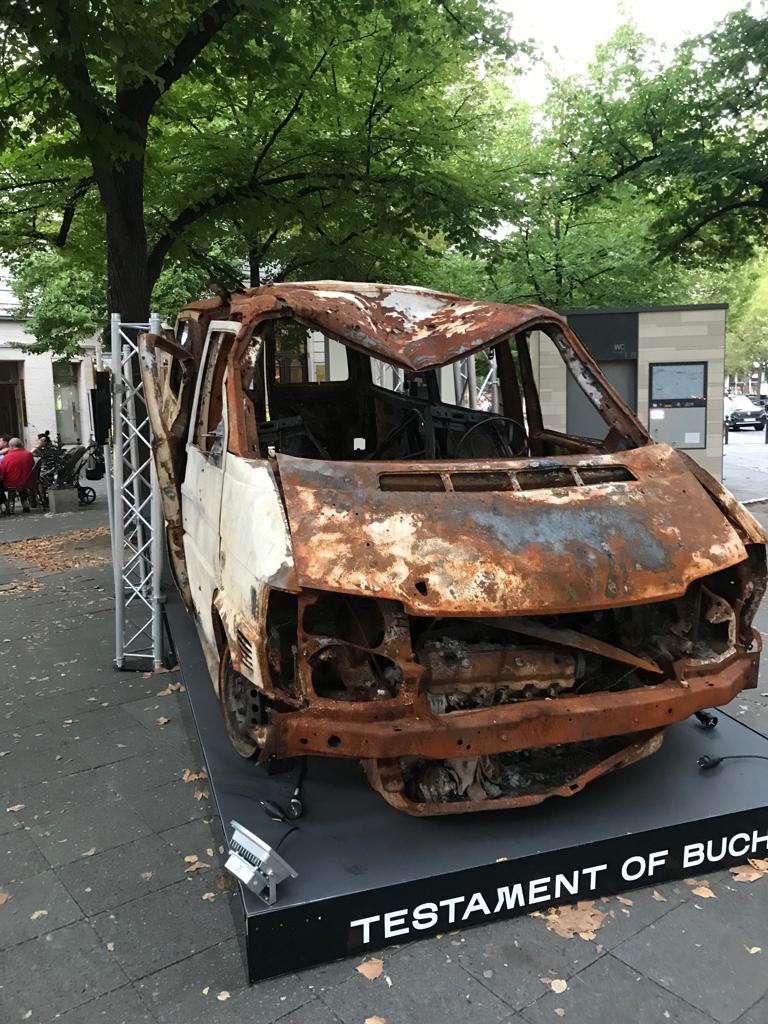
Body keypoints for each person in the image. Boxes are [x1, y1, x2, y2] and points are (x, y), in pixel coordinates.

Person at [0, 438, 34, 514]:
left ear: (10, 446)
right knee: (21, 481)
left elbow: (2, 473)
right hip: (27, 482)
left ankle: (7, 504)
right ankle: (25, 503)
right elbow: (32, 465)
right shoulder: (28, 454)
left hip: (11, 483)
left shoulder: (6, 457)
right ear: (21, 445)